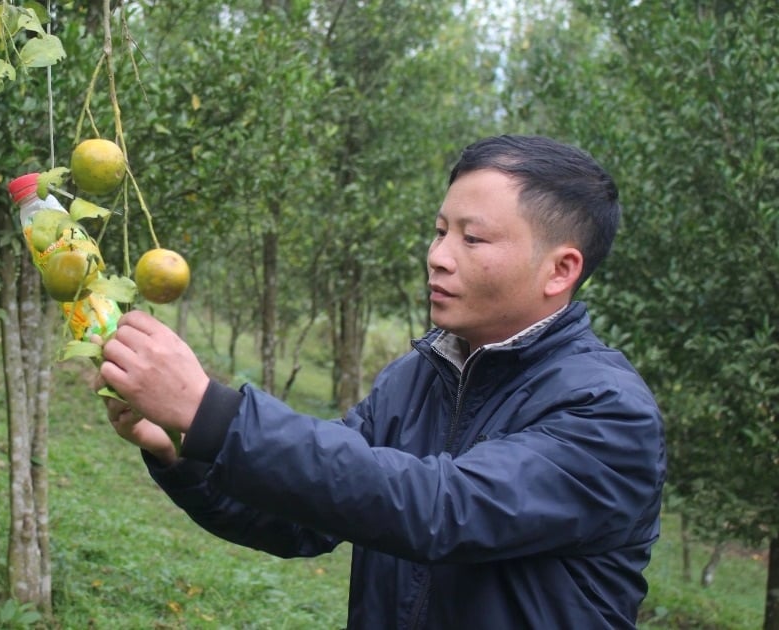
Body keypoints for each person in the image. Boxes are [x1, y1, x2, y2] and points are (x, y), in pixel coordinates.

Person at [97, 135, 666, 629]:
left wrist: (211, 413)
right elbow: (302, 516)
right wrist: (182, 449)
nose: (438, 257)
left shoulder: (608, 413)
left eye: (473, 239)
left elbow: (440, 509)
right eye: (441, 230)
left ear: (560, 269)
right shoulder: (418, 378)